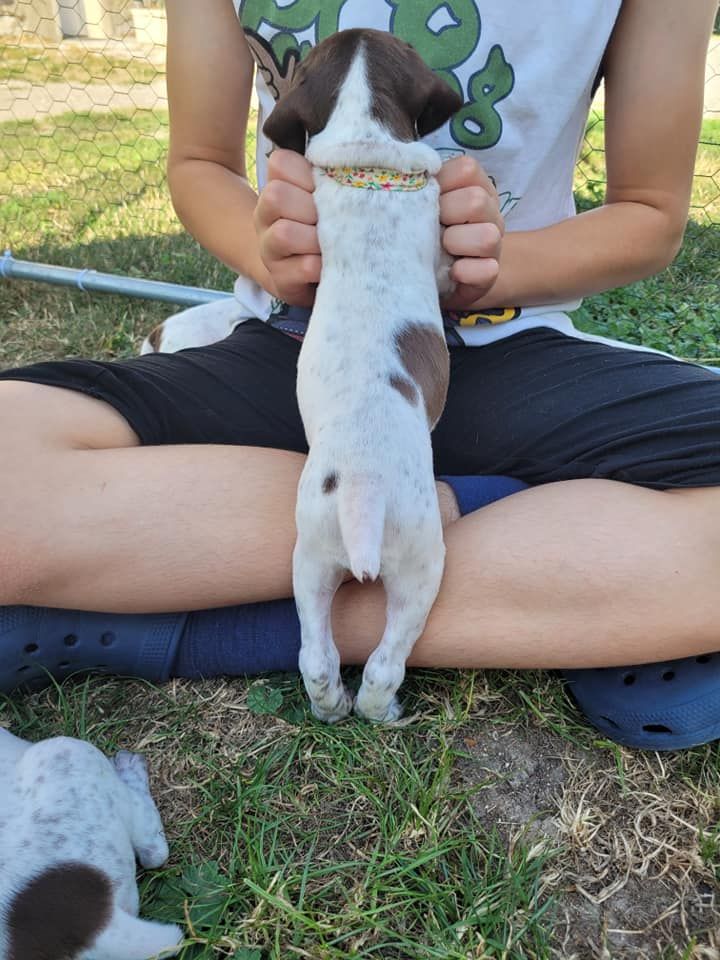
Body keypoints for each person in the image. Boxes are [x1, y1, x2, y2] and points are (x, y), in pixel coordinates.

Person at [1, 0, 719, 749]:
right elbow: (199, 164)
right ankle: (521, 552)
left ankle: (179, 616)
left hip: (510, 338)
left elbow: (651, 212)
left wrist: (479, 262)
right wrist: (275, 252)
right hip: (301, 339)